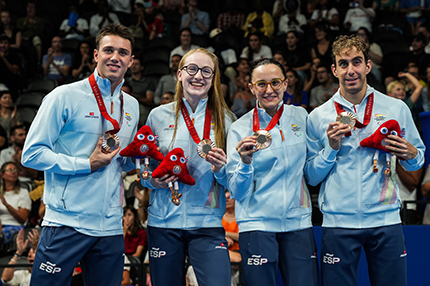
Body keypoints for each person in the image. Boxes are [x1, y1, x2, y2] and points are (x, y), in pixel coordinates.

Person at [21, 23, 139, 286]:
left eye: (123, 53)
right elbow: (31, 154)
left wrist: (137, 158)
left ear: (131, 61)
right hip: (66, 221)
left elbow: (117, 163)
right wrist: (86, 164)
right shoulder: (64, 96)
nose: (115, 57)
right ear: (96, 55)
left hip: (110, 225)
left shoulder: (131, 105)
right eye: (108, 50)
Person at [305, 34, 425, 286]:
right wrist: (331, 149)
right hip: (338, 222)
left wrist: (410, 154)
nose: (351, 70)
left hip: (385, 220)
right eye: (344, 63)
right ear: (334, 69)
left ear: (368, 66)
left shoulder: (396, 108)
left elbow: (418, 160)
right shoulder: (318, 116)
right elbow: (311, 177)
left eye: (356, 62)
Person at [141, 48, 235, 285]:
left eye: (206, 71)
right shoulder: (158, 116)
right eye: (192, 69)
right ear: (180, 74)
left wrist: (221, 169)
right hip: (163, 223)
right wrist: (151, 180)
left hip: (207, 224)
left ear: (213, 79)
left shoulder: (226, 119)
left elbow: (233, 179)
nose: (198, 76)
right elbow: (143, 167)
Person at [226, 58, 317, 286]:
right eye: (261, 84)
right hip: (257, 224)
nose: (269, 90)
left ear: (285, 84)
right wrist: (245, 163)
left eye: (275, 83)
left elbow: (312, 169)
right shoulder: (239, 128)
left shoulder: (302, 117)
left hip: (297, 222)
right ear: (251, 88)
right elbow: (236, 190)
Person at [0, 161, 32, 244]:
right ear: (2, 174)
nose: (14, 172)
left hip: (15, 227)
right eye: (10, 170)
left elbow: (23, 219)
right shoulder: (1, 193)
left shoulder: (23, 192)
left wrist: (7, 205)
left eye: (16, 170)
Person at [125, 57, 157, 125]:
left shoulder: (148, 82)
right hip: (125, 103)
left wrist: (135, 98)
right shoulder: (125, 81)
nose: (133, 66)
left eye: (136, 64)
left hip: (141, 106)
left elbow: (149, 100)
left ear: (142, 67)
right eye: (132, 64)